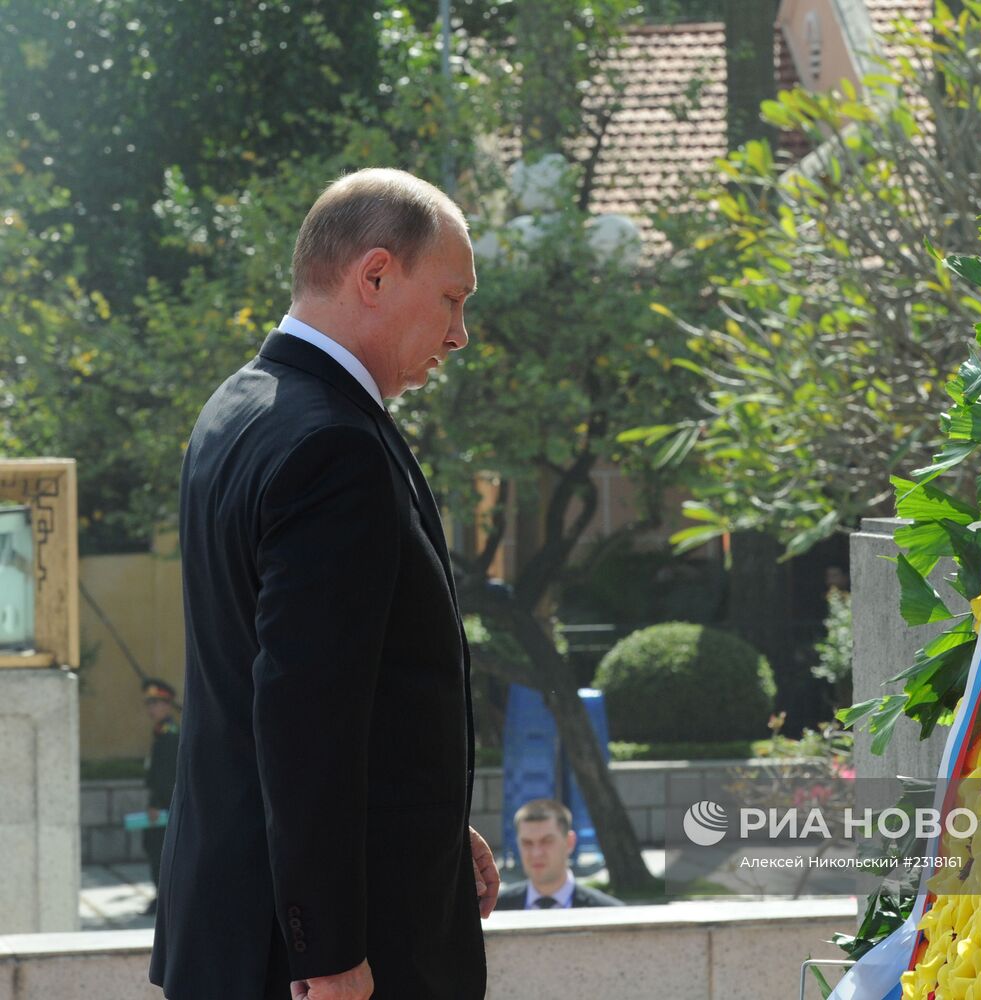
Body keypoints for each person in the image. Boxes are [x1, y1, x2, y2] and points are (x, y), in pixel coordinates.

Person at [150, 168, 497, 1000]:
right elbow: (304, 715)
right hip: (320, 958)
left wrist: (438, 826)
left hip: (237, 923)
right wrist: (328, 950)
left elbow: (342, 691)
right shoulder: (333, 446)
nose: (459, 335)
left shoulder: (239, 406)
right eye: (451, 299)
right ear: (374, 275)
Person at [497, 799, 624, 909]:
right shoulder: (493, 910)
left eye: (546, 841)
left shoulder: (607, 913)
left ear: (569, 842)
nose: (536, 853)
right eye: (527, 843)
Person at [141, 678, 180, 916]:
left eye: (156, 703)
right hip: (160, 804)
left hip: (164, 806)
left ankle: (165, 896)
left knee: (159, 849)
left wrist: (156, 803)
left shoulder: (169, 735)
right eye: (149, 703)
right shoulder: (161, 733)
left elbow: (166, 776)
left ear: (167, 705)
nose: (151, 708)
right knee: (153, 847)